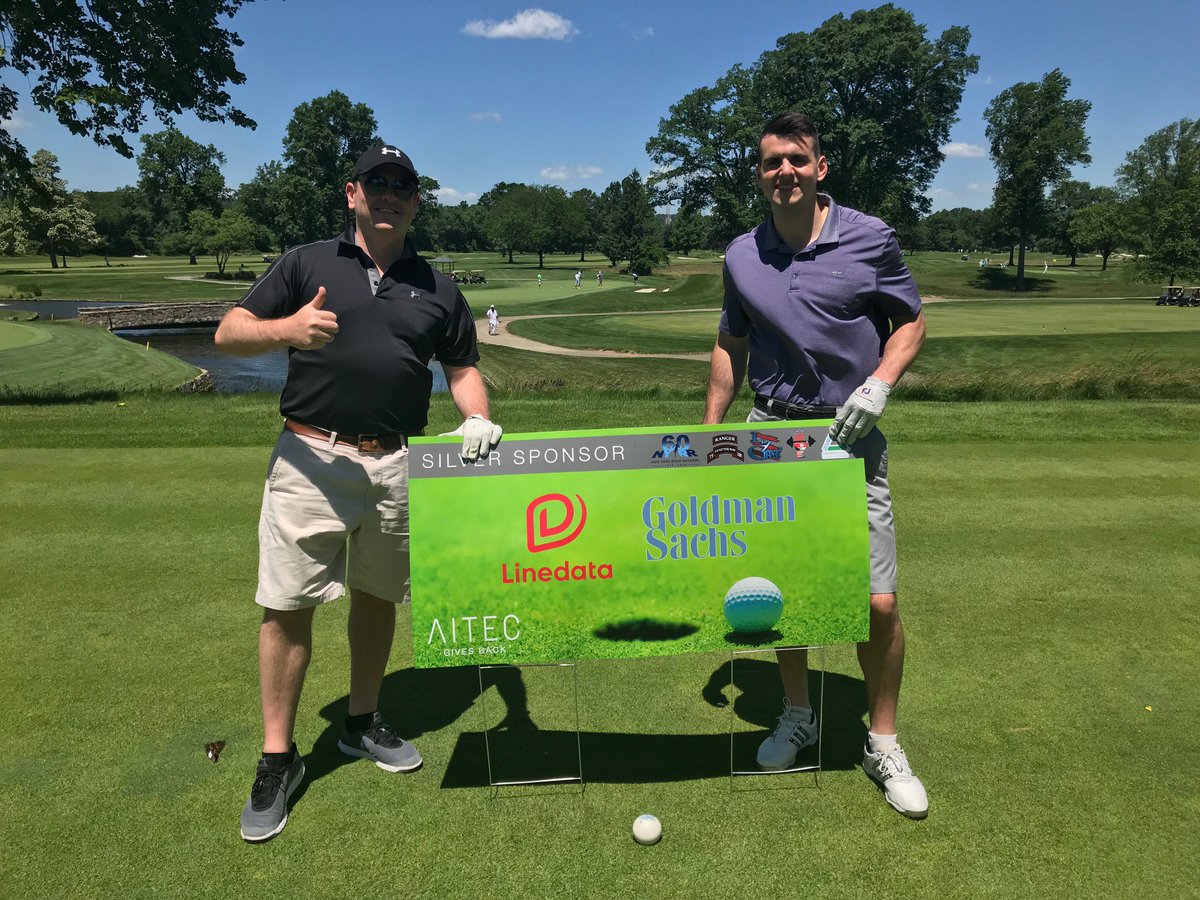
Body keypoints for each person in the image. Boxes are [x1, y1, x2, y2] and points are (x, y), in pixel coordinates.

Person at [215, 143, 503, 843]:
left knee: (378, 598)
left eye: (403, 186)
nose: (390, 194)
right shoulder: (308, 262)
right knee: (287, 606)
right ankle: (278, 756)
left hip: (398, 463)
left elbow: (461, 366)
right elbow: (229, 332)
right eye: (378, 182)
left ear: (416, 201)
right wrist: (288, 329)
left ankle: (361, 721)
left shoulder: (437, 285)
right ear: (352, 193)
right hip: (311, 455)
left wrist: (479, 415)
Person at [703, 112, 928, 819]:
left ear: (820, 167)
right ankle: (797, 713)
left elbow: (910, 321)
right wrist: (709, 437)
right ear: (759, 173)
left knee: (877, 601)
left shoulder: (870, 237)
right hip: (771, 437)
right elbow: (729, 348)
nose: (785, 172)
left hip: (849, 434)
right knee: (784, 592)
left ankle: (882, 740)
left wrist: (880, 383)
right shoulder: (742, 255)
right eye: (772, 162)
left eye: (797, 159)